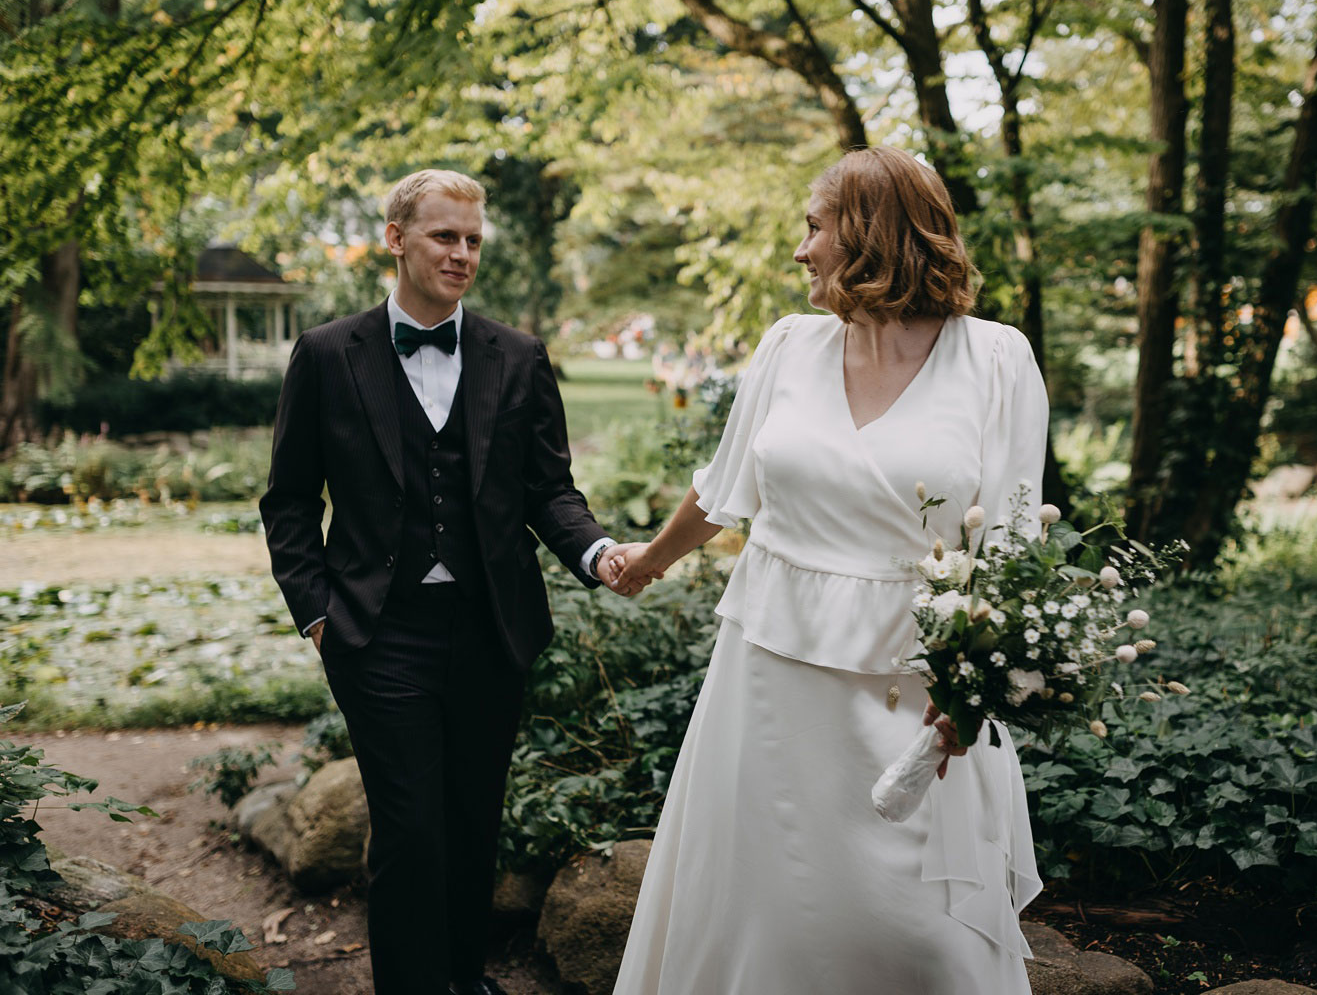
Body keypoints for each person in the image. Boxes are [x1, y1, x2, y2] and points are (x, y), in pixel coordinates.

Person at [608, 146, 1048, 994]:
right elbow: (725, 485)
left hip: (920, 690)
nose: (801, 249)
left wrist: (983, 688)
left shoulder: (997, 360)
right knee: (769, 910)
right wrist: (649, 563)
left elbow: (1016, 547)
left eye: (815, 227)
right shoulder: (788, 347)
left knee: (922, 933)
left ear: (873, 235)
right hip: (769, 677)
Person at [259, 169, 649, 995]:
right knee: (409, 828)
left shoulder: (518, 356)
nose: (463, 253)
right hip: (374, 629)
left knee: (473, 822)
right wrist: (317, 613)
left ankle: (463, 980)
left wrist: (597, 552)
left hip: (489, 629)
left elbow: (549, 491)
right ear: (396, 238)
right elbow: (289, 501)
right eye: (445, 236)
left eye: (473, 239)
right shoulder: (329, 354)